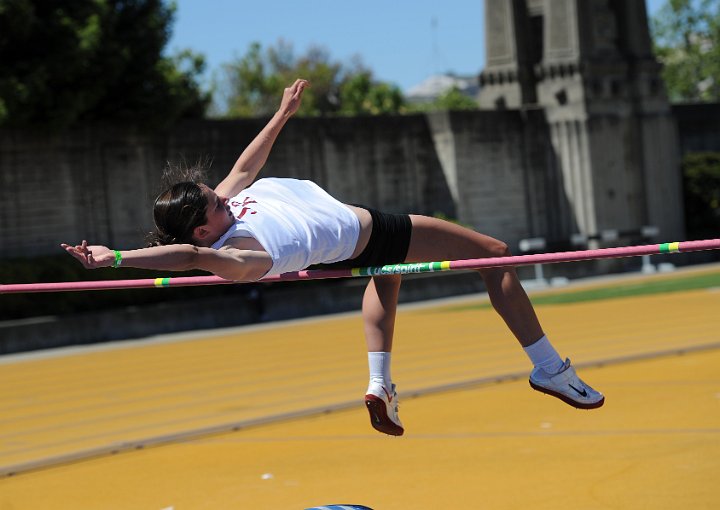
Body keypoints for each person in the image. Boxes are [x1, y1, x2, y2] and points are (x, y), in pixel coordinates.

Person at [63, 79, 604, 437]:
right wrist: (117, 258)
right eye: (213, 200)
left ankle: (379, 385)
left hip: (355, 241)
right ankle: (549, 368)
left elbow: (245, 168)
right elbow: (186, 258)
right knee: (495, 255)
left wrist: (281, 115)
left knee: (385, 281)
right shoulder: (241, 256)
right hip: (372, 232)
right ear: (204, 228)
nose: (221, 193)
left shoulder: (228, 211)